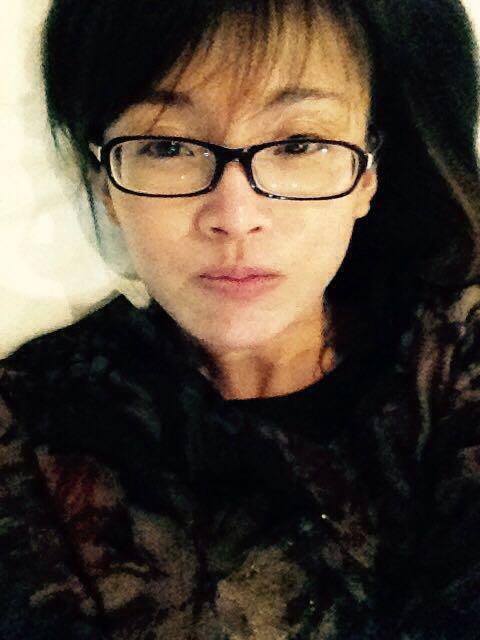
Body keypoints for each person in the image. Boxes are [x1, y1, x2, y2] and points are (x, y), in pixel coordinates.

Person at [1, 0, 480, 637]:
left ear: (369, 173)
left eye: (298, 143)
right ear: (106, 186)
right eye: (167, 146)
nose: (235, 215)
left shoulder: (455, 360)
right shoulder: (29, 429)